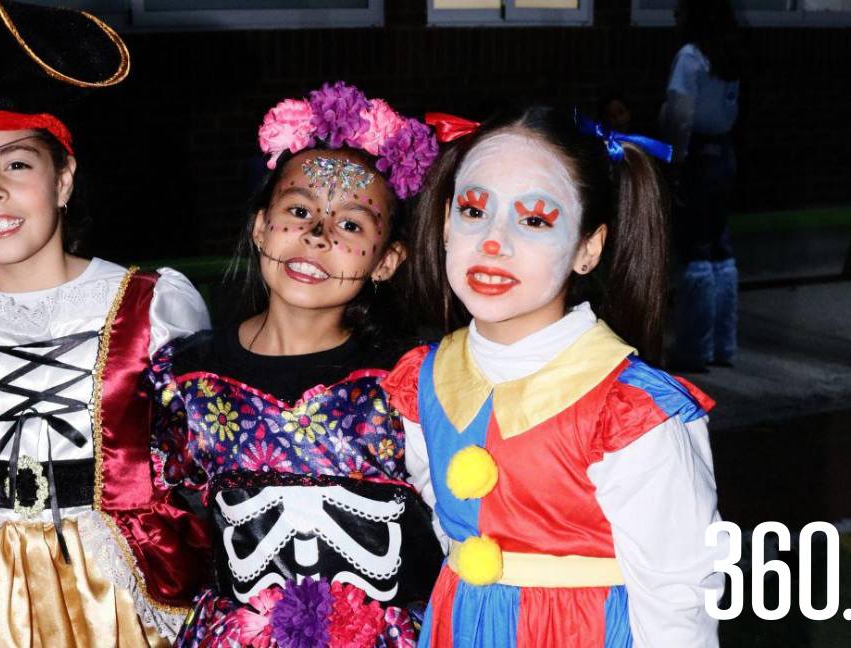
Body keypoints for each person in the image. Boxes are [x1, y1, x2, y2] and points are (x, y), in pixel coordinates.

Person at [0, 1, 210, 645]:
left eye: (17, 164)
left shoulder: (154, 302)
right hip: (0, 588)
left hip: (128, 577)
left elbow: (198, 440)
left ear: (64, 179)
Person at [383, 106, 725, 647]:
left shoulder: (627, 410)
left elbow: (680, 590)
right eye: (474, 211)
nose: (494, 241)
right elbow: (443, 512)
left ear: (588, 248)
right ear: (445, 223)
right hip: (460, 621)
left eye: (535, 219)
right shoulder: (425, 379)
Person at [146, 81, 444, 647]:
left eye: (351, 225)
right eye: (299, 210)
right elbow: (162, 524)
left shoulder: (409, 381)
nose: (316, 234)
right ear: (261, 226)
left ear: (388, 262)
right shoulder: (184, 379)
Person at [661, 0, 744, 372]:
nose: (675, 16)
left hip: (698, 155)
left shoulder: (690, 57)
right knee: (719, 248)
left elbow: (680, 115)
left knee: (694, 250)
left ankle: (694, 348)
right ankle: (722, 344)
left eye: (681, 10)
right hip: (725, 152)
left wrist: (675, 163)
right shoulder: (729, 56)